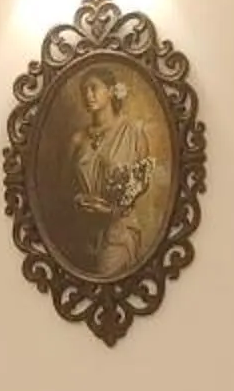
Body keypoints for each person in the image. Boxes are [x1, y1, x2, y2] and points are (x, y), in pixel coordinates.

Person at [67, 67, 165, 278]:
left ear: (111, 91)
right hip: (82, 233)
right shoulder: (77, 140)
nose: (88, 95)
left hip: (118, 233)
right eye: (84, 90)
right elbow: (64, 187)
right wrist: (78, 200)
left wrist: (112, 210)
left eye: (94, 88)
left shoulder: (134, 132)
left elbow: (140, 184)